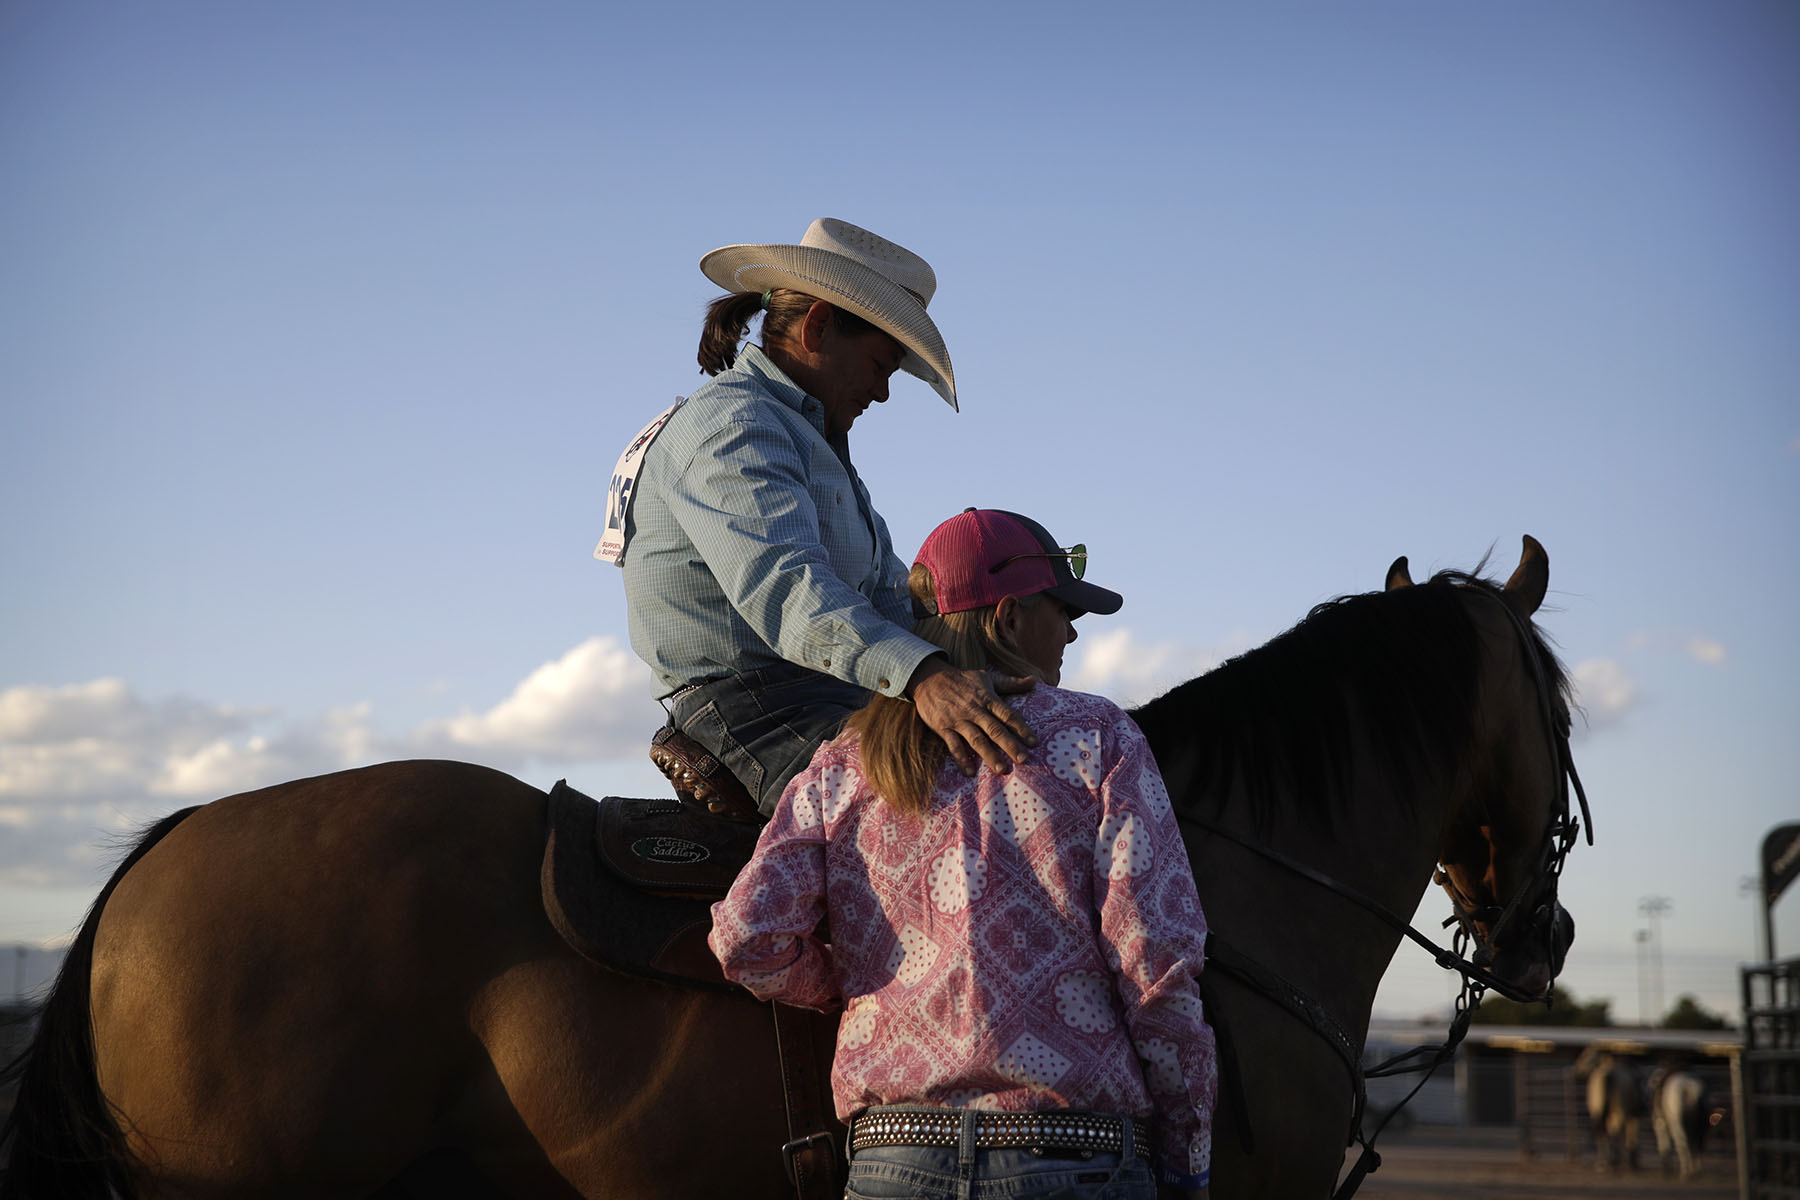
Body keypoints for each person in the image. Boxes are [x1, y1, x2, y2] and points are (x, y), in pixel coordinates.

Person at [710, 509, 1216, 1199]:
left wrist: (869, 985)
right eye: (1061, 610)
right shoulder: (1101, 737)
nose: (1071, 630)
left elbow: (747, 938)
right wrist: (1188, 1155)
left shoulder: (842, 766)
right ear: (1008, 620)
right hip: (1073, 1157)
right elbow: (1154, 961)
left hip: (894, 1163)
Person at [600, 218, 1036, 816]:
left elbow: (887, 600)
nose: (883, 392)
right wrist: (927, 677)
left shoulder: (810, 441)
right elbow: (787, 589)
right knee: (937, 817)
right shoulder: (734, 425)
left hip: (823, 698)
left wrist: (981, 656)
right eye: (882, 363)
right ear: (819, 325)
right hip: (752, 711)